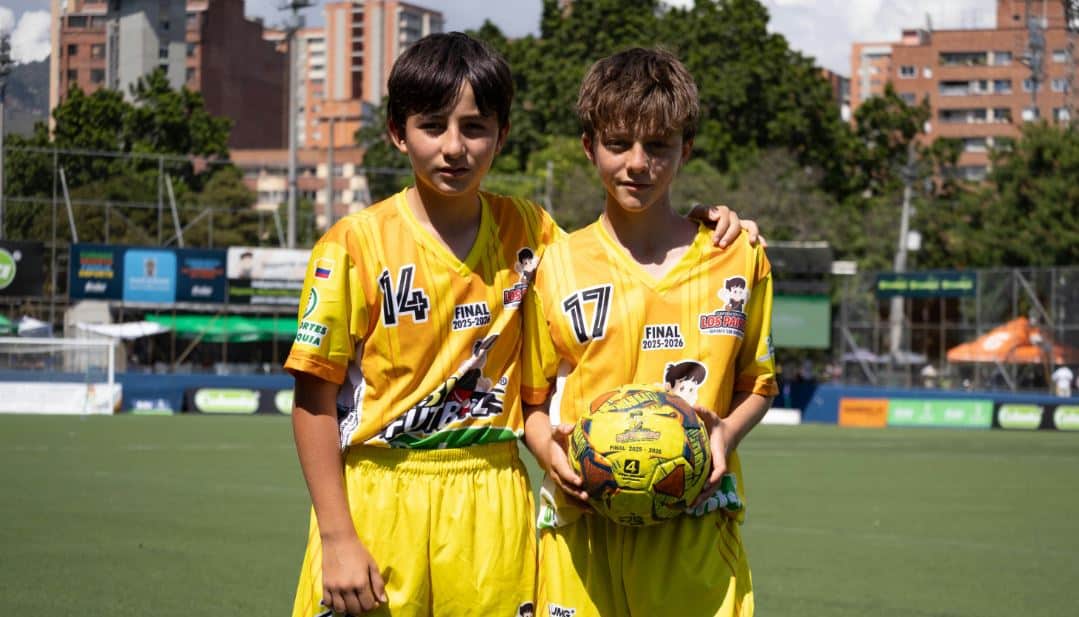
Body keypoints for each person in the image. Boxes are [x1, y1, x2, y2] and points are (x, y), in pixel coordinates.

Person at [284, 33, 758, 617]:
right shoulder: (352, 245)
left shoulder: (533, 234)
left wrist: (708, 224)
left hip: (494, 497)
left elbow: (623, 247)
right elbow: (312, 399)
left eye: (475, 127)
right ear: (397, 131)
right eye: (432, 126)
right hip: (379, 489)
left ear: (502, 134)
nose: (454, 148)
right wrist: (336, 538)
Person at [521, 48, 777, 617]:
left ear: (685, 148)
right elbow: (531, 402)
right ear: (589, 147)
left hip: (694, 531)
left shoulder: (738, 256)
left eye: (658, 146)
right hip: (580, 534)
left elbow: (759, 384)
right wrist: (552, 458)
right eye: (618, 145)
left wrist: (723, 438)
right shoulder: (555, 265)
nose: (638, 164)